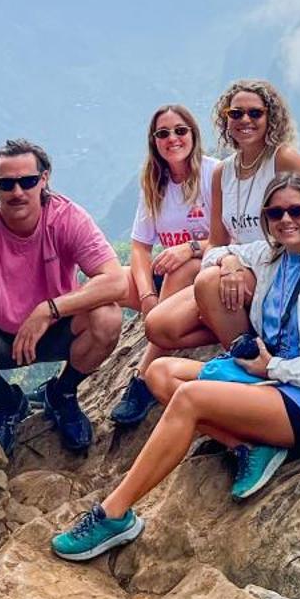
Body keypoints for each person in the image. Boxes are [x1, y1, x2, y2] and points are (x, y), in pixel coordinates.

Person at [51, 173, 300, 561]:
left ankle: (114, 514)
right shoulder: (273, 257)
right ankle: (249, 444)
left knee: (189, 398)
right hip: (266, 382)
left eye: (296, 210)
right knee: (159, 374)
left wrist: (277, 369)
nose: (286, 219)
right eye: (275, 213)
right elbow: (218, 253)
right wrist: (233, 261)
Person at [0, 138, 130, 473]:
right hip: (0, 334)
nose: (18, 192)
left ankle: (62, 394)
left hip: (58, 326)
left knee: (107, 316)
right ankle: (6, 403)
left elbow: (116, 280)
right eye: (6, 184)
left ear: (45, 179)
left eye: (28, 181)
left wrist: (48, 309)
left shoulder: (66, 218)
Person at [140, 79, 300, 363]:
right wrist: (228, 261)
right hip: (237, 273)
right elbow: (217, 243)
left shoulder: (284, 160)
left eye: (255, 113)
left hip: (283, 270)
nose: (244, 120)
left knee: (209, 283)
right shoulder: (222, 173)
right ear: (225, 120)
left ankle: (249, 360)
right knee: (159, 326)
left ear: (270, 117)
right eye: (235, 114)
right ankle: (242, 329)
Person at [106, 104, 221, 428]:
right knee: (111, 282)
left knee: (180, 268)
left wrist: (190, 248)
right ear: (154, 141)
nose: (173, 138)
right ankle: (65, 390)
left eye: (180, 130)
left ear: (194, 135)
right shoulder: (154, 183)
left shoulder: (215, 174)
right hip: (173, 278)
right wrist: (146, 298)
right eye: (163, 133)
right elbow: (140, 248)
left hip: (210, 270)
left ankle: (142, 379)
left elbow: (235, 238)